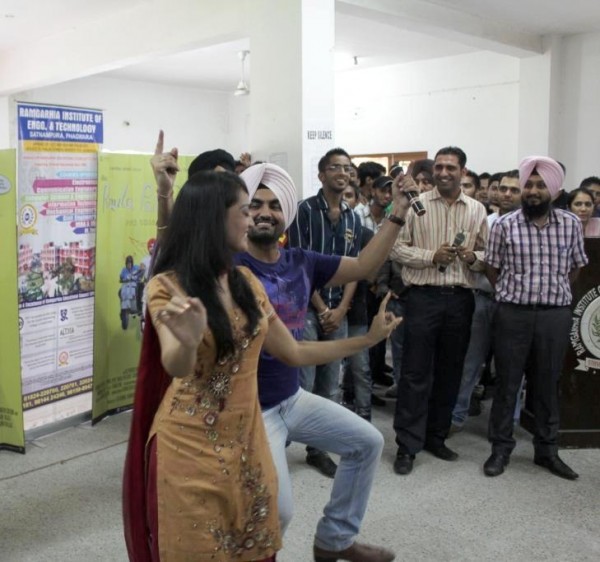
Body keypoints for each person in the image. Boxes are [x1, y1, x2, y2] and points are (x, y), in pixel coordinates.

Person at [122, 171, 401, 562]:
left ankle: (335, 540)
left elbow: (296, 352)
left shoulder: (246, 282)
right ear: (214, 219)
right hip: (189, 445)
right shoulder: (169, 286)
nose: (253, 218)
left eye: (268, 206)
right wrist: (186, 341)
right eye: (246, 209)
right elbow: (177, 365)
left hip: (249, 429)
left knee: (252, 536)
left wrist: (367, 341)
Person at [483, 156, 588, 480]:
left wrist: (552, 295)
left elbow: (576, 267)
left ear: (554, 191)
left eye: (540, 185)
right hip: (512, 314)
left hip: (554, 317)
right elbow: (492, 267)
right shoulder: (504, 224)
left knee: (547, 385)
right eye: (529, 184)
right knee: (507, 385)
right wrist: (512, 294)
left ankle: (547, 451)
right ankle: (500, 450)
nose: (532, 190)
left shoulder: (570, 224)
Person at [390, 146, 489, 476]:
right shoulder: (417, 205)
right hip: (423, 298)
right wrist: (431, 256)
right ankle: (407, 445)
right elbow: (396, 248)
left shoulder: (477, 210)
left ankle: (436, 436)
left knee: (450, 372)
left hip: (460, 300)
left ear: (463, 172)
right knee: (415, 373)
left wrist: (473, 259)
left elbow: (489, 255)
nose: (444, 172)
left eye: (451, 167)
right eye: (440, 167)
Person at [287, 148, 362, 477]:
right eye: (334, 167)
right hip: (305, 309)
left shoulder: (352, 217)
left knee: (331, 385)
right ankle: (281, 441)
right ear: (321, 175)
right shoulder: (304, 211)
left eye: (347, 168)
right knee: (302, 383)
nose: (342, 172)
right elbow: (299, 263)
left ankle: (318, 449)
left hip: (338, 311)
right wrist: (322, 309)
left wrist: (341, 309)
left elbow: (356, 268)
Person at [451, 170, 522, 431]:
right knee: (471, 362)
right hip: (483, 299)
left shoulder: (529, 226)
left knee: (511, 367)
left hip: (515, 305)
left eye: (514, 190)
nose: (506, 194)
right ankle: (456, 416)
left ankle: (508, 423)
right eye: (503, 188)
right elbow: (476, 258)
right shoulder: (487, 221)